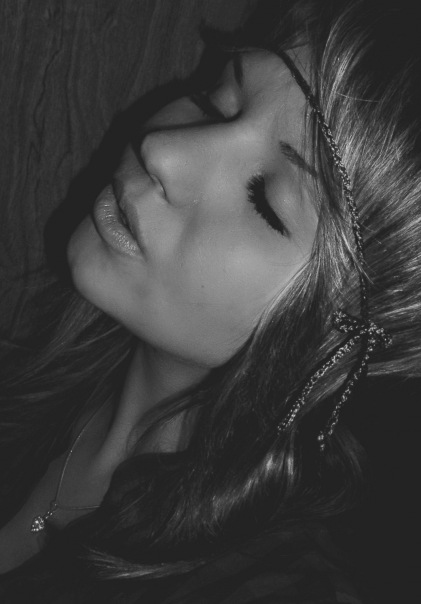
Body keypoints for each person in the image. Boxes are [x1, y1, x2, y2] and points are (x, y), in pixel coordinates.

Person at [0, 0, 420, 601]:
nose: (163, 150)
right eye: (215, 98)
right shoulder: (42, 375)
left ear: (346, 333)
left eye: (266, 202)